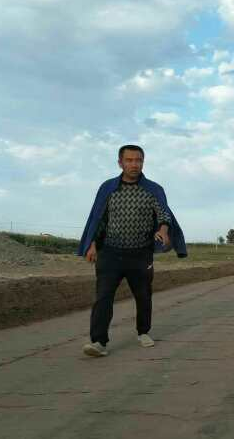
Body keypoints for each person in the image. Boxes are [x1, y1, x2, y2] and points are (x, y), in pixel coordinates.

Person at [77, 145, 187, 357]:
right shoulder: (108, 188)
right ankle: (99, 342)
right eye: (129, 160)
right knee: (103, 297)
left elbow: (164, 214)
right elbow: (99, 219)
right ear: (120, 163)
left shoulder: (153, 189)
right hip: (110, 253)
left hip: (140, 254)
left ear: (143, 162)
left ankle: (143, 332)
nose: (134, 164)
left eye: (138, 160)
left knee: (143, 296)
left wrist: (163, 230)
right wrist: (92, 244)